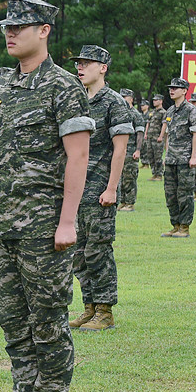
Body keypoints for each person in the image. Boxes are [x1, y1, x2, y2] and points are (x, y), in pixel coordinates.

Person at [0, 0, 92, 392]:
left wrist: (67, 222)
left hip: (43, 228)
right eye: (6, 27)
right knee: (13, 320)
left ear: (43, 30)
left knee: (47, 321)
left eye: (20, 27)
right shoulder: (5, 84)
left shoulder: (63, 87)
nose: (9, 34)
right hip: (4, 226)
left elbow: (78, 155)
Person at [68, 46, 132, 332]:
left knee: (98, 251)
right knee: (78, 253)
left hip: (99, 190)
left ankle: (104, 311)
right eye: (79, 63)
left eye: (87, 63)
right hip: (75, 190)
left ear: (103, 67)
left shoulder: (114, 102)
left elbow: (120, 150)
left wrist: (112, 188)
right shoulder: (76, 100)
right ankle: (89, 307)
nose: (81, 68)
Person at [159, 78, 196, 238]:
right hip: (171, 159)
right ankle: (175, 225)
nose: (172, 90)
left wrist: (193, 156)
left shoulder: (191, 110)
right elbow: (168, 135)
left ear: (184, 91)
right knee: (170, 194)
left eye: (176, 88)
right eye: (171, 88)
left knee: (184, 194)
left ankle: (184, 227)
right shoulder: (170, 111)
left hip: (185, 159)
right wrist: (166, 154)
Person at [118, 88, 145, 211]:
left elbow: (140, 134)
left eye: (125, 97)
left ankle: (130, 203)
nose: (123, 99)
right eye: (121, 96)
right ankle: (122, 201)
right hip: (119, 151)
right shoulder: (118, 112)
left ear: (131, 99)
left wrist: (138, 150)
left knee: (130, 177)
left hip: (130, 150)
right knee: (120, 178)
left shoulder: (135, 114)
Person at [146, 94, 167, 180]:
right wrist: (146, 134)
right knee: (151, 156)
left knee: (157, 157)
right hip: (150, 137)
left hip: (157, 138)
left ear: (161, 101)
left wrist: (161, 136)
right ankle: (154, 173)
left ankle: (159, 174)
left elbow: (164, 125)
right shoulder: (152, 112)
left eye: (156, 100)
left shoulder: (163, 112)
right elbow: (148, 123)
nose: (154, 101)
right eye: (154, 100)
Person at [139, 100, 151, 168]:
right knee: (142, 148)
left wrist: (146, 133)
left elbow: (148, 124)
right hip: (141, 133)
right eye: (141, 105)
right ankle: (143, 162)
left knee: (146, 148)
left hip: (147, 133)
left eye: (143, 105)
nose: (141, 107)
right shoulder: (141, 115)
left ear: (147, 106)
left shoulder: (149, 114)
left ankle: (147, 163)